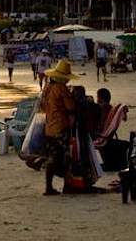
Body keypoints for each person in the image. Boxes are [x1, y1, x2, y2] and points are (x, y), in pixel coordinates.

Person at [41, 60, 78, 195]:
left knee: (51, 158)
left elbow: (42, 106)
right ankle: (67, 186)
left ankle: (49, 187)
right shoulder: (61, 88)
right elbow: (70, 107)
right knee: (66, 156)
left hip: (49, 127)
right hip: (61, 126)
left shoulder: (47, 88)